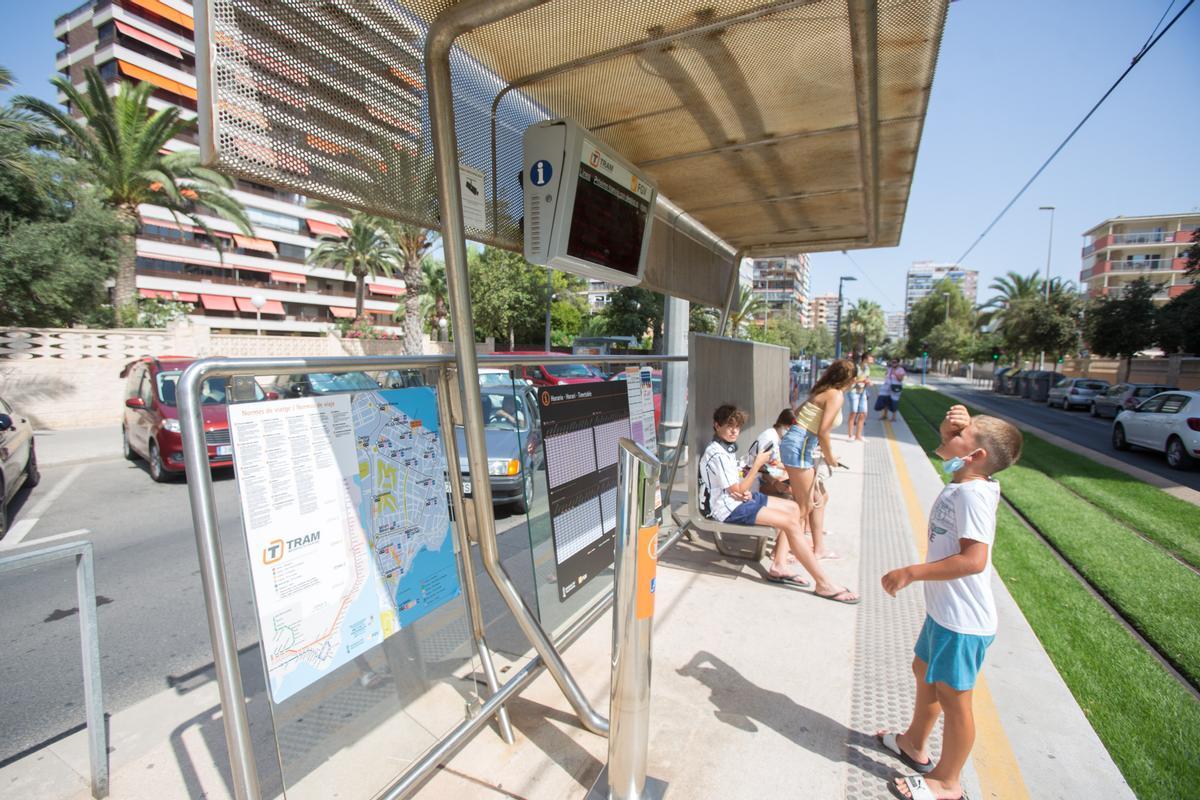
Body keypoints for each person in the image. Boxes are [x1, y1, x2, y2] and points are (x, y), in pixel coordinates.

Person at [875, 404, 1023, 800]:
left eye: (959, 434)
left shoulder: (973, 495)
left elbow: (973, 561)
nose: (948, 436)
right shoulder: (966, 480)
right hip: (944, 613)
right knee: (923, 671)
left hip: (963, 622)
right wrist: (949, 430)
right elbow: (949, 452)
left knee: (955, 701)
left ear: (975, 456)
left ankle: (947, 782)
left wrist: (911, 572)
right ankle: (913, 743)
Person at [699, 404, 857, 602]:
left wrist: (743, 491)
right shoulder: (717, 453)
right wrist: (757, 464)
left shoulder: (725, 448)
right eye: (729, 426)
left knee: (794, 508)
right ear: (716, 426)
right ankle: (823, 582)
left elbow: (736, 487)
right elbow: (737, 489)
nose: (734, 431)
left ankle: (780, 564)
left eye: (737, 427)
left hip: (736, 499)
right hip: (727, 508)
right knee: (790, 521)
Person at [780, 359, 856, 571]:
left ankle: (814, 548)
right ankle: (784, 556)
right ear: (850, 380)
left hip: (798, 443)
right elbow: (823, 430)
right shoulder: (836, 395)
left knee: (817, 498)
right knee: (802, 506)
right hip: (801, 446)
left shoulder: (821, 391)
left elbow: (798, 415)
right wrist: (830, 457)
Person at [845, 353, 873, 441]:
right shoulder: (856, 368)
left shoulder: (867, 368)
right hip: (853, 391)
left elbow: (867, 378)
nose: (872, 360)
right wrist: (863, 381)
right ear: (865, 358)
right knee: (853, 412)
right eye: (871, 358)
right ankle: (850, 435)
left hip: (862, 392)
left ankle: (858, 435)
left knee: (863, 413)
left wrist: (868, 381)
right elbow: (851, 381)